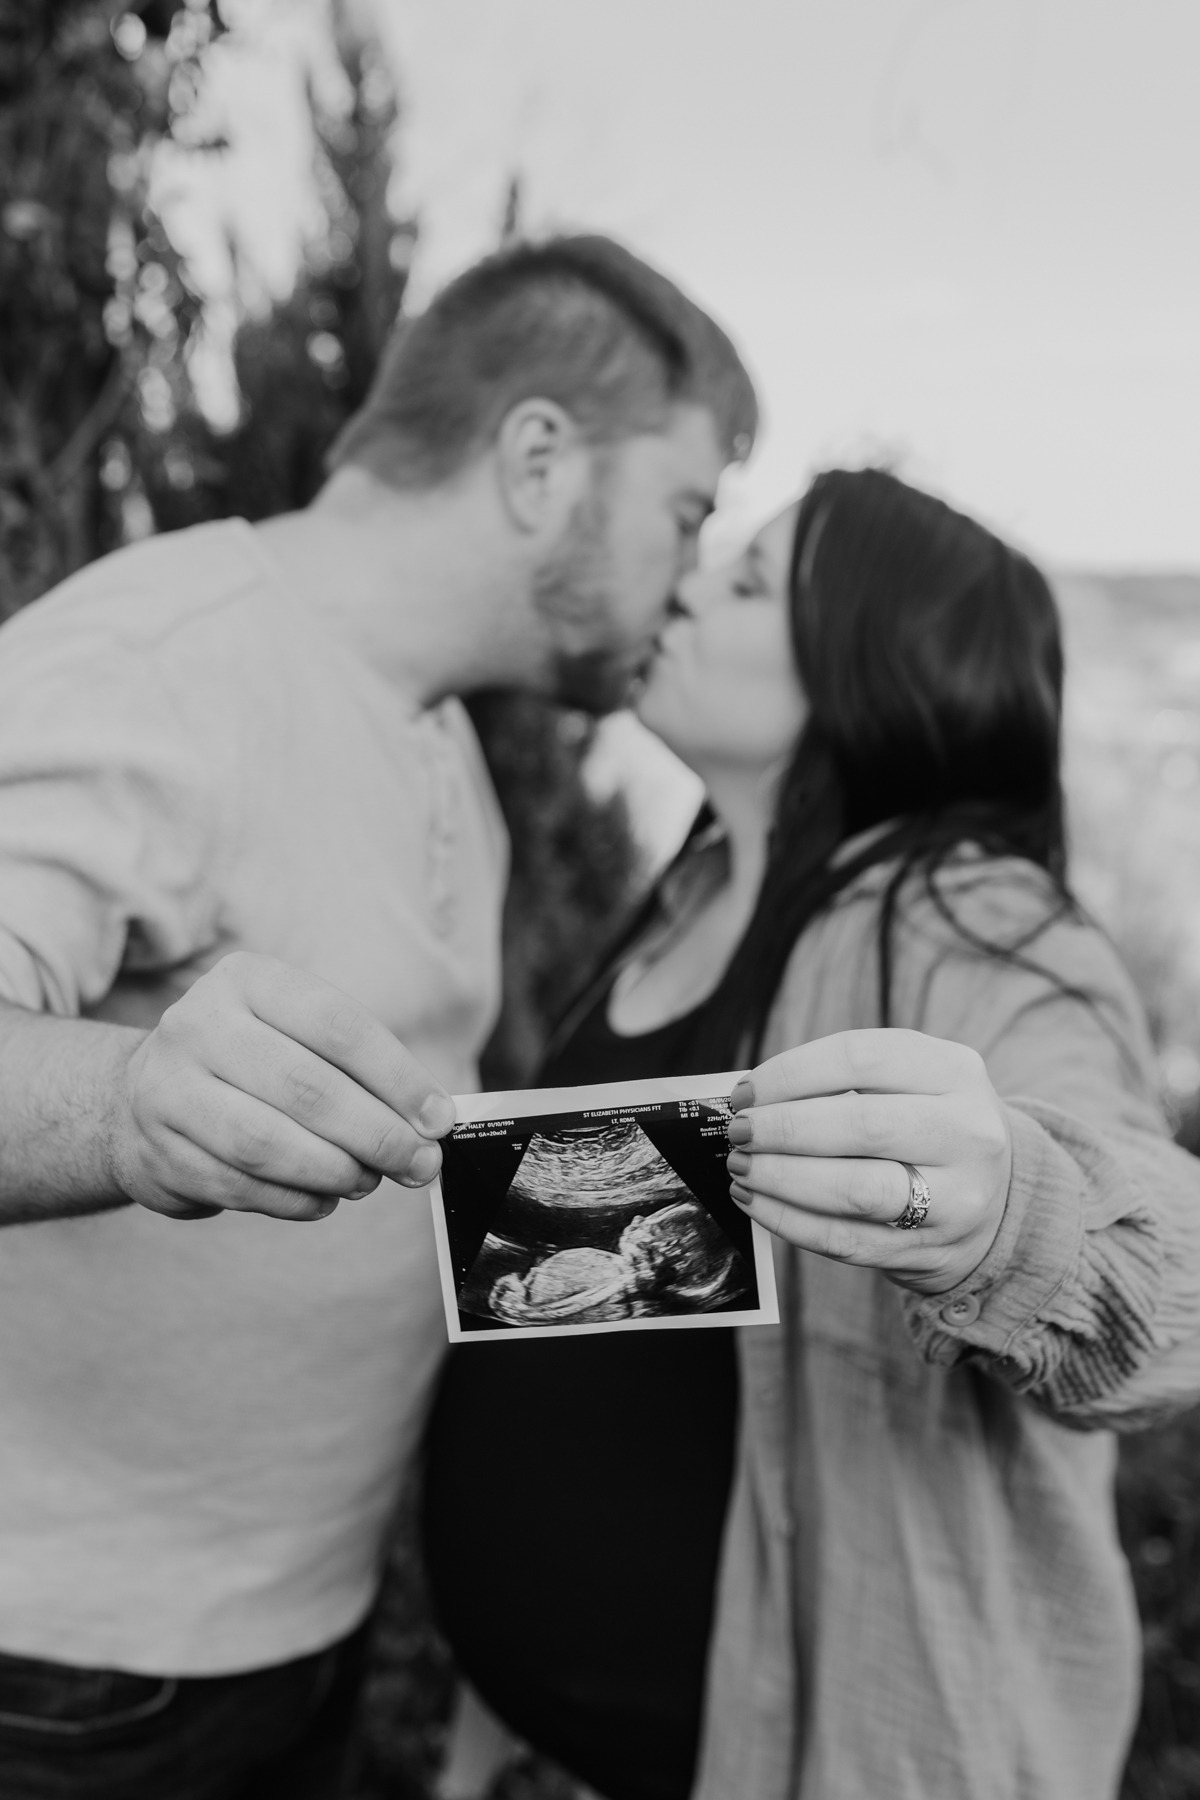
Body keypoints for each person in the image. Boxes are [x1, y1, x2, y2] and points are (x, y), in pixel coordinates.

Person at [0, 235, 758, 1799]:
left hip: (302, 1631)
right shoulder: (156, 663)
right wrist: (137, 1095)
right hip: (71, 1674)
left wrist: (755, 1200)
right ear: (540, 461)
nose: (690, 570)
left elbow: (415, 1156)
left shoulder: (437, 741)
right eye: (686, 510)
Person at [422, 468, 1200, 1800]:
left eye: (744, 579)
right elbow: (579, 1321)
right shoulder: (697, 888)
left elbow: (1173, 1287)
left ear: (870, 667)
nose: (687, 585)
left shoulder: (982, 929)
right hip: (540, 1744)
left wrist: (1011, 1211)